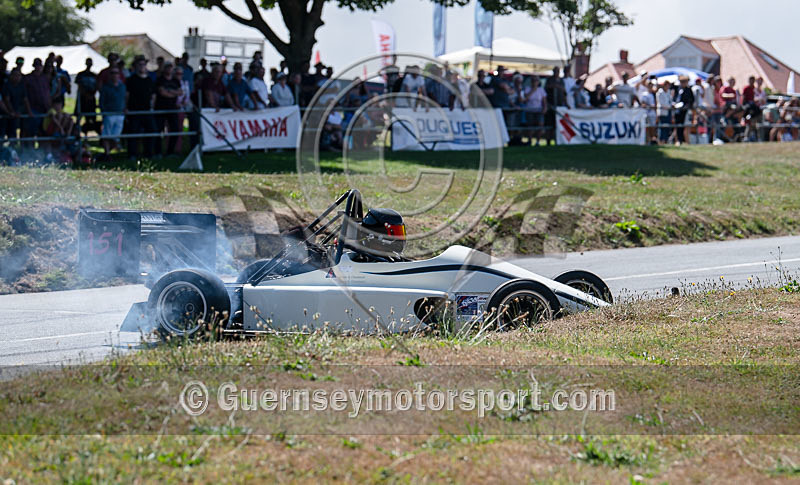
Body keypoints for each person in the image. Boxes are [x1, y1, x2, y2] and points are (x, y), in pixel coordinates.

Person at [125, 56, 156, 159]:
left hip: (147, 111)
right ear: (136, 66)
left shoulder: (149, 80)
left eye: (143, 64)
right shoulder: (131, 80)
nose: (142, 67)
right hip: (134, 111)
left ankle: (149, 153)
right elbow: (127, 95)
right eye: (140, 64)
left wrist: (152, 107)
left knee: (151, 132)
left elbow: (153, 95)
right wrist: (126, 107)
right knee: (133, 133)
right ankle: (132, 154)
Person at [154, 62, 182, 156]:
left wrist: (169, 91)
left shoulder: (175, 81)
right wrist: (173, 93)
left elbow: (180, 92)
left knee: (175, 129)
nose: (169, 69)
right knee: (159, 130)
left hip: (172, 108)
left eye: (171, 67)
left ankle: (170, 151)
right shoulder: (160, 80)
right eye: (167, 67)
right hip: (161, 108)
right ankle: (158, 152)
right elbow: (162, 92)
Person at [99, 67, 126, 156]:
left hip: (120, 114)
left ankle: (108, 152)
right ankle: (107, 154)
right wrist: (104, 113)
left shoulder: (123, 86)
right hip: (109, 114)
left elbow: (126, 99)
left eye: (117, 73)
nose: (115, 75)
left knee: (115, 136)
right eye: (113, 73)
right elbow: (101, 101)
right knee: (107, 135)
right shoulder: (106, 87)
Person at [24, 58, 51, 140]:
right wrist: (29, 110)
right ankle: (30, 150)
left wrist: (49, 106)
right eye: (36, 65)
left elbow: (47, 93)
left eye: (39, 65)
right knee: (31, 131)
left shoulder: (44, 78)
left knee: (44, 131)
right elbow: (25, 96)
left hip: (45, 108)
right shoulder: (28, 78)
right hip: (33, 109)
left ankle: (42, 150)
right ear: (33, 66)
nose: (38, 67)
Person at [74, 58, 98, 133]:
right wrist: (85, 94)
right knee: (79, 117)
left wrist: (91, 95)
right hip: (82, 100)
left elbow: (96, 87)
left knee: (90, 118)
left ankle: (86, 134)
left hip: (91, 101)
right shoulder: (81, 75)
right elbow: (79, 86)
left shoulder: (94, 75)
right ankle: (76, 134)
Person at [521, 75, 547, 145]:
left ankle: (538, 141)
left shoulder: (541, 90)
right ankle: (530, 140)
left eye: (536, 80)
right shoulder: (527, 88)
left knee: (540, 125)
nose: (535, 82)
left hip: (539, 110)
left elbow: (544, 101)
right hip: (530, 110)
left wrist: (545, 108)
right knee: (530, 126)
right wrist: (533, 90)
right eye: (533, 80)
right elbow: (525, 99)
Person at [2, 69, 27, 139]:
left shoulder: (21, 86)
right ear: (11, 76)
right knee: (3, 133)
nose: (17, 77)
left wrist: (20, 111)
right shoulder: (6, 86)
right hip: (5, 114)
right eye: (15, 75)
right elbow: (6, 100)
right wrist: (11, 111)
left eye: (19, 75)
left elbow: (25, 100)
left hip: (16, 113)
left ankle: (13, 147)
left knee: (13, 133)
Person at [672, 75, 695, 145]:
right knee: (677, 125)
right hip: (677, 110)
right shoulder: (677, 89)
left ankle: (683, 140)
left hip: (685, 111)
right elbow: (675, 97)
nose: (683, 83)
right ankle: (678, 140)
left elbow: (691, 100)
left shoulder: (689, 89)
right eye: (681, 82)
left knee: (684, 126)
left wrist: (686, 106)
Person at [656, 80, 673, 144]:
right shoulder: (659, 93)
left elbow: (670, 100)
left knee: (667, 128)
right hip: (662, 112)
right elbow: (661, 103)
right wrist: (669, 106)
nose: (667, 86)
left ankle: (665, 141)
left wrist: (672, 105)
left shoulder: (668, 92)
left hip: (668, 112)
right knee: (662, 127)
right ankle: (661, 141)